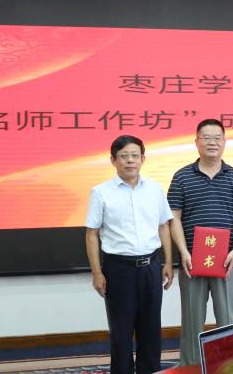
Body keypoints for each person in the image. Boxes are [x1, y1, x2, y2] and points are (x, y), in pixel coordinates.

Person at [85, 135, 173, 374]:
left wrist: (168, 262)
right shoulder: (101, 192)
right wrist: (97, 273)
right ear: (113, 160)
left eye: (135, 156)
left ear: (143, 159)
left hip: (151, 267)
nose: (130, 161)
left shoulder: (154, 189)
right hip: (118, 269)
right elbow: (92, 234)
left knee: (151, 329)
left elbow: (163, 226)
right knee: (121, 332)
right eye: (124, 156)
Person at [167, 119, 233, 365]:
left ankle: (231, 368)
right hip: (191, 262)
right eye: (206, 137)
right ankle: (191, 368)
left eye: (217, 138)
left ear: (224, 142)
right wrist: (183, 251)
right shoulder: (182, 176)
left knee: (229, 321)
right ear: (196, 142)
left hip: (228, 261)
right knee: (192, 321)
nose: (212, 142)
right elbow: (173, 217)